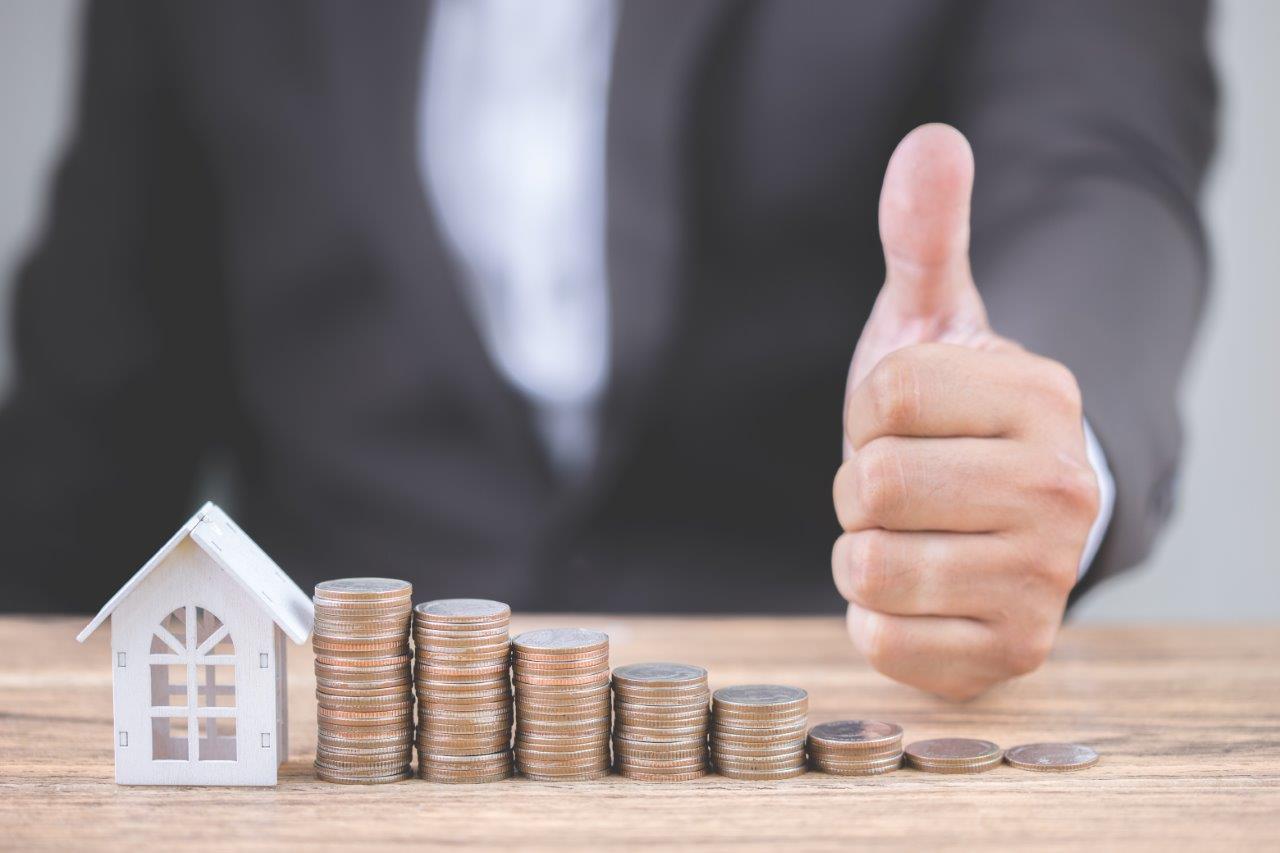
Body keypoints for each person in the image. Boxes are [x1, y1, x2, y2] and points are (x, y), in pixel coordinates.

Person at [0, 0, 1215, 700]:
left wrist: (1024, 419)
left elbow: (1093, 164)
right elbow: (97, 400)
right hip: (329, 720)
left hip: (828, 689)